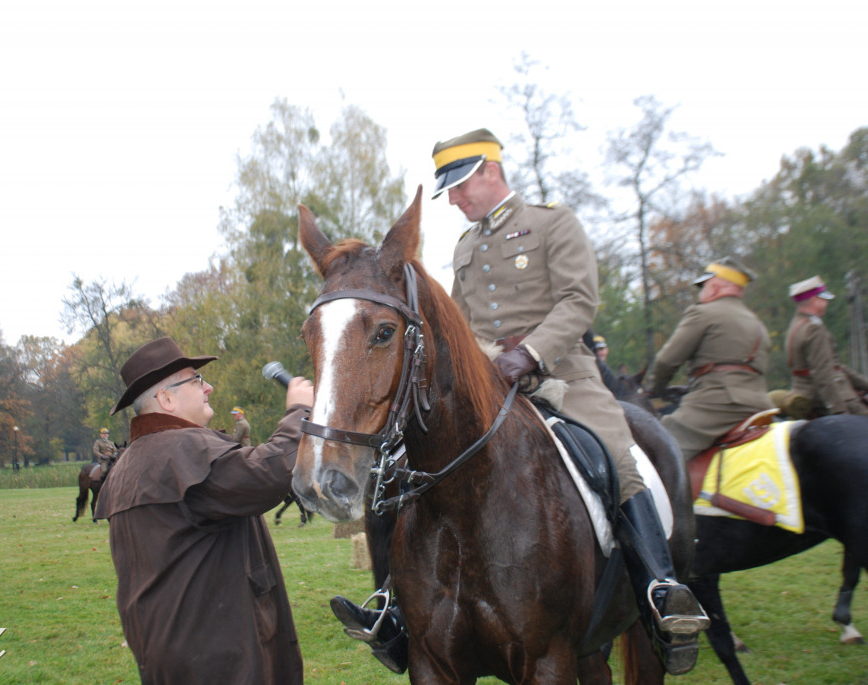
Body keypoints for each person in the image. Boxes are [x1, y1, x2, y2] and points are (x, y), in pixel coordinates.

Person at [332, 128, 708, 675]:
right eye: (449, 193)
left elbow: (580, 301)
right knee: (398, 472)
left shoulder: (553, 223)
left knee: (620, 456)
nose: (456, 200)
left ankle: (658, 586)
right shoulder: (463, 247)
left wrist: (529, 353)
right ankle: (391, 605)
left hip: (565, 375)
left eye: (461, 186)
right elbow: (455, 326)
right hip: (488, 385)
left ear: (491, 171)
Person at [93, 336, 313, 684]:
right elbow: (268, 475)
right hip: (219, 658)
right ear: (166, 398)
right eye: (196, 380)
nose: (208, 387)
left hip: (170, 651)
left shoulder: (129, 463)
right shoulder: (179, 449)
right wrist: (302, 412)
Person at [644, 258, 775, 459]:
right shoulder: (757, 323)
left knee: (660, 450)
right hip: (761, 404)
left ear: (714, 287)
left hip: (718, 405)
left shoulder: (703, 313)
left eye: (702, 286)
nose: (701, 292)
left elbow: (667, 361)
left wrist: (656, 389)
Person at [785, 275, 868, 417]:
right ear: (814, 301)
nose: (826, 303)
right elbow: (823, 372)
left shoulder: (796, 325)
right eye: (823, 299)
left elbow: (836, 365)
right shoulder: (813, 328)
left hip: (804, 391)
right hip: (831, 396)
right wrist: (838, 410)